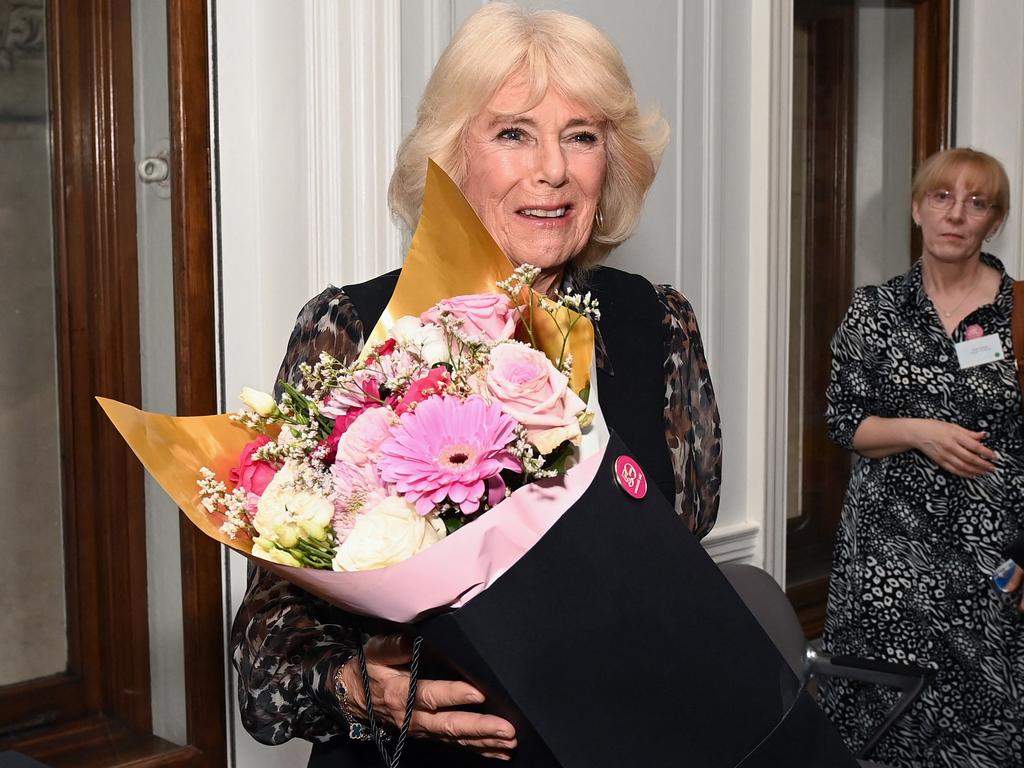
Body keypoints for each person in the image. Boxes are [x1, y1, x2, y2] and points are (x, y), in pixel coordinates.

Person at [231, 4, 722, 765]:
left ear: (610, 162)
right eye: (513, 132)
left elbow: (678, 564)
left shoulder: (660, 325)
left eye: (582, 135)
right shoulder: (357, 326)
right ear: (453, 156)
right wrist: (364, 688)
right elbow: (265, 661)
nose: (552, 169)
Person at [820, 147, 1024, 767]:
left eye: (976, 202)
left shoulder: (1017, 314)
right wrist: (921, 431)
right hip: (886, 564)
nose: (956, 214)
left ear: (994, 222)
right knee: (884, 732)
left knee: (987, 731)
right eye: (942, 197)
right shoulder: (874, 311)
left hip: (993, 563)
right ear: (917, 209)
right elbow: (843, 422)